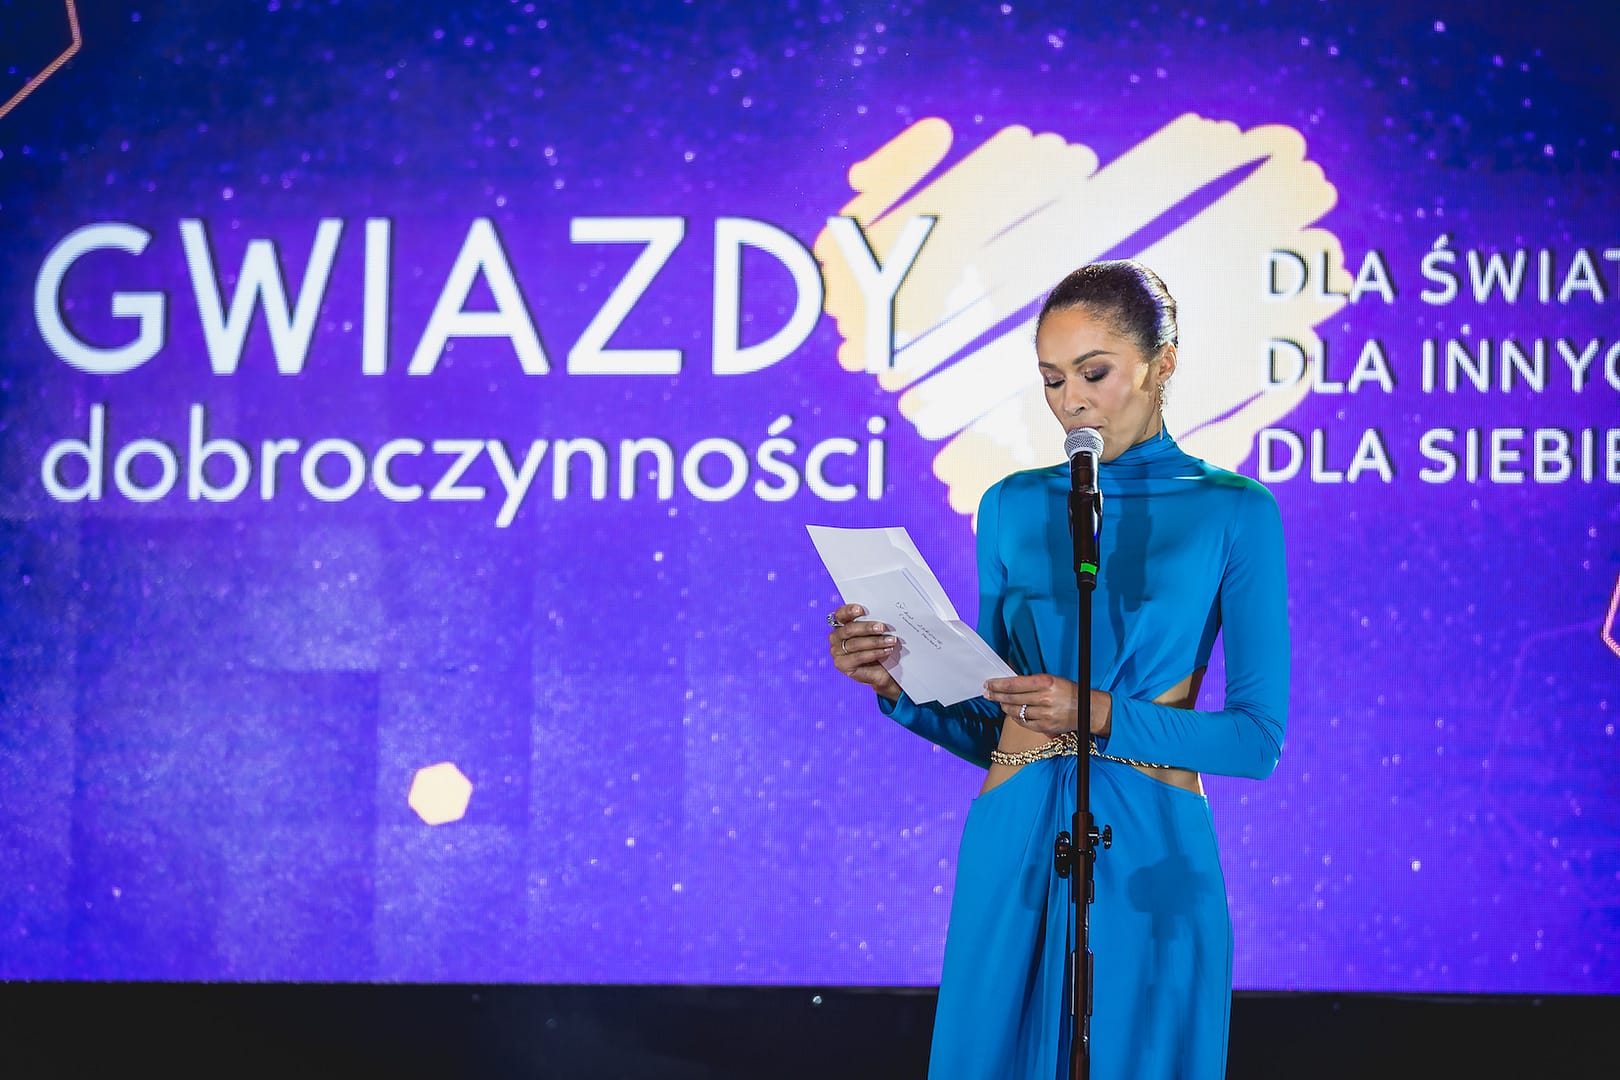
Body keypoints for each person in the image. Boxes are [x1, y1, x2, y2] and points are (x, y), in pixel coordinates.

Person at [825, 259, 1289, 1079]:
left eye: (1093, 373)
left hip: (1152, 841)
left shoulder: (1235, 511)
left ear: (1162, 364)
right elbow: (998, 716)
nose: (1070, 400)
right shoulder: (1010, 504)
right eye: (1051, 379)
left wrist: (1098, 713)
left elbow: (1255, 744)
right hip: (1015, 834)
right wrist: (899, 685)